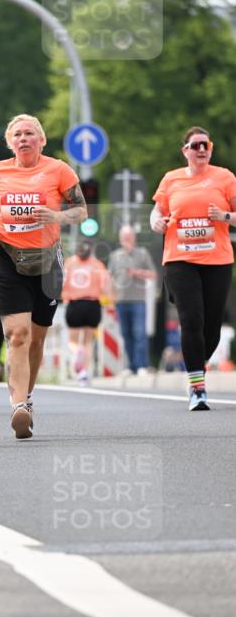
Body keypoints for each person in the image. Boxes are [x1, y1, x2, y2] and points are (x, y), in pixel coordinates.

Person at [0, 113, 87, 438]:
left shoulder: (58, 170)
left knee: (37, 338)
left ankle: (28, 397)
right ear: (10, 142)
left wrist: (56, 215)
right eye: (18, 134)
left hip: (47, 262)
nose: (23, 139)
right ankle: (18, 405)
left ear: (41, 140)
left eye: (30, 133)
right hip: (6, 257)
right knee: (17, 335)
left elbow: (81, 210)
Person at [150, 125, 236, 411]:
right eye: (196, 145)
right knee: (191, 318)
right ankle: (197, 387)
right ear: (185, 150)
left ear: (210, 149)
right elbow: (157, 211)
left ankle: (197, 367)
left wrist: (223, 215)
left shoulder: (224, 177)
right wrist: (156, 222)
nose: (201, 150)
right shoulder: (171, 179)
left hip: (217, 261)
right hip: (179, 259)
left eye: (205, 145)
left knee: (211, 329)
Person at [107, 225, 156, 375]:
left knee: (139, 333)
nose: (126, 240)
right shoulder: (115, 256)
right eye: (124, 237)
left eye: (129, 237)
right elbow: (110, 278)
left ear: (134, 238)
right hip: (121, 301)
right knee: (125, 334)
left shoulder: (142, 253)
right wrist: (110, 299)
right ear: (120, 239)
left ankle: (142, 365)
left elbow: (153, 274)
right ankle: (131, 366)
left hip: (138, 300)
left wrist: (137, 272)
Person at [62, 241, 112, 384]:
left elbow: (60, 283)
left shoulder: (69, 264)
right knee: (88, 341)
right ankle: (84, 373)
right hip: (93, 304)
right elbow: (106, 287)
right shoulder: (98, 265)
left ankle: (77, 353)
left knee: (73, 340)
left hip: (74, 303)